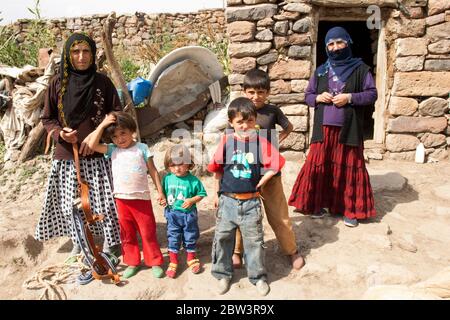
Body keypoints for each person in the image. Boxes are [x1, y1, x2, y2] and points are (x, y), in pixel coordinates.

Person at [35, 33, 122, 262]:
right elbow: (47, 118)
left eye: (86, 51)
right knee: (71, 204)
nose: (81, 57)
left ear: (93, 54)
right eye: (76, 52)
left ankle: (110, 242)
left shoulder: (102, 82)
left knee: (103, 202)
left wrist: (97, 132)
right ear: (68, 55)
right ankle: (79, 241)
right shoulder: (57, 83)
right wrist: (60, 133)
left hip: (96, 154)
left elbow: (117, 112)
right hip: (67, 156)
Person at [288, 26, 378, 228]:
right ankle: (317, 204)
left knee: (348, 167)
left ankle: (350, 210)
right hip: (324, 129)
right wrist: (318, 97)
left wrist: (350, 97)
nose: (335, 47)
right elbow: (308, 96)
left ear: (348, 42)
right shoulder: (321, 71)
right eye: (330, 43)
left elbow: (372, 94)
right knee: (320, 166)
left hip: (349, 129)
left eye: (340, 42)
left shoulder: (361, 69)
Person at [208, 97, 285, 296]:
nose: (245, 125)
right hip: (227, 201)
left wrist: (264, 179)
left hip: (251, 202)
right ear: (231, 123)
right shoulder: (227, 141)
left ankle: (258, 277)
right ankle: (223, 274)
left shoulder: (260, 142)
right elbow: (216, 169)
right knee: (223, 238)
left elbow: (277, 162)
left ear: (255, 121)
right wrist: (216, 193)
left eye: (249, 121)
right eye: (240, 121)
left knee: (254, 241)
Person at [231, 68, 305, 271]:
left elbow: (288, 127)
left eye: (261, 92)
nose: (256, 96)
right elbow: (232, 139)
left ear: (268, 92)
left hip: (270, 172)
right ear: (244, 91)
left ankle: (291, 250)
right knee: (241, 214)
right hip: (245, 173)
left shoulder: (273, 111)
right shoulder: (239, 111)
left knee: (279, 213)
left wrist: (276, 142)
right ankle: (236, 251)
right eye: (251, 92)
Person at [88, 111, 165, 278]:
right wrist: (102, 125)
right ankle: (133, 262)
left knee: (147, 232)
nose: (120, 139)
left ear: (132, 131)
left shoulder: (142, 148)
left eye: (123, 133)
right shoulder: (112, 150)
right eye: (115, 136)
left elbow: (153, 170)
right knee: (127, 233)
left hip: (141, 199)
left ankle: (155, 262)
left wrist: (160, 192)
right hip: (122, 200)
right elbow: (92, 145)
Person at [161, 144, 207, 278]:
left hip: (188, 215)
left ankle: (191, 258)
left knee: (190, 235)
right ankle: (173, 261)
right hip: (172, 214)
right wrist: (162, 200)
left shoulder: (193, 180)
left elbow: (201, 194)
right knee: (173, 237)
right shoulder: (167, 179)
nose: (176, 168)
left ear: (188, 163)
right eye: (172, 165)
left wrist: (192, 200)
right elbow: (163, 194)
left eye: (180, 164)